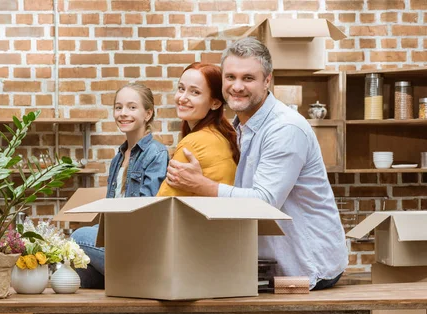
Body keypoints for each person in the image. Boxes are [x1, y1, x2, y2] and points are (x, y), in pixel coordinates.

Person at [165, 37, 347, 290]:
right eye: (230, 77)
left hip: (306, 268)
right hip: (268, 266)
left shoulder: (284, 128)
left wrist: (201, 185)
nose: (237, 86)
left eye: (248, 78)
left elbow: (264, 203)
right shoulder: (240, 128)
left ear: (267, 80)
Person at [71, 82, 169, 288]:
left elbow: (148, 210)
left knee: (78, 237)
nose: (123, 113)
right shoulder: (118, 158)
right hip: (115, 238)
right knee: (73, 272)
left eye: (132, 107)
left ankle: (139, 276)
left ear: (148, 114)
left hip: (137, 244)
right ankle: (124, 282)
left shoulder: (156, 153)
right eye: (118, 107)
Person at [157, 62, 239, 196]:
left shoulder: (193, 143)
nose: (182, 98)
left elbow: (162, 205)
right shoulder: (221, 135)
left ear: (215, 103)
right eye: (181, 88)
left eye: (195, 92)